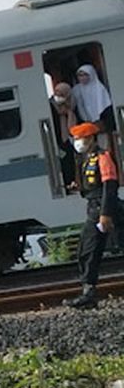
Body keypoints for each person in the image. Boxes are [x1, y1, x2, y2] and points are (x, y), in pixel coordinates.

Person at [65, 121, 118, 309]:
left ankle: (88, 294)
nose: (77, 142)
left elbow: (110, 187)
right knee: (87, 251)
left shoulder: (103, 157)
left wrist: (105, 214)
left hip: (103, 209)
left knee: (90, 250)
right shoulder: (86, 159)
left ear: (90, 139)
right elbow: (93, 183)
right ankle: (88, 293)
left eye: (80, 138)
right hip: (94, 207)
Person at [72, 64, 115, 133]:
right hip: (85, 122)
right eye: (80, 75)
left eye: (85, 75)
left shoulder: (99, 88)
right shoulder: (76, 89)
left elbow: (104, 105)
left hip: (101, 120)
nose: (82, 78)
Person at [50, 81, 78, 188]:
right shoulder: (50, 107)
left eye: (62, 93)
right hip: (56, 140)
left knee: (69, 161)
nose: (58, 95)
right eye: (57, 92)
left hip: (67, 141)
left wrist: (69, 113)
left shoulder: (71, 106)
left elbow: (72, 128)